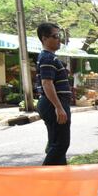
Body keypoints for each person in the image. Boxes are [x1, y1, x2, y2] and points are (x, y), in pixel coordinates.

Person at [35, 22, 71, 165]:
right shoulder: (47, 58)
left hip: (53, 103)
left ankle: (61, 180)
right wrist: (58, 107)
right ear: (44, 39)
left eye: (59, 36)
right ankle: (44, 180)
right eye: (55, 36)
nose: (59, 40)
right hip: (53, 104)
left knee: (55, 144)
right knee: (61, 144)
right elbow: (47, 83)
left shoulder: (50, 57)